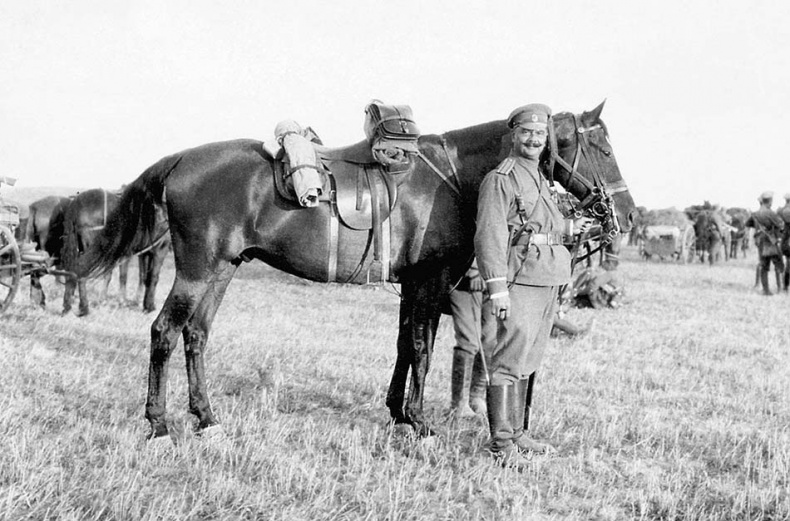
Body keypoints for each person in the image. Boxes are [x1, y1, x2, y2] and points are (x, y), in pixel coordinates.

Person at [474, 103, 591, 469]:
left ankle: (518, 432)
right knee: (508, 360)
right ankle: (501, 443)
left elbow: (544, 224)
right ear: (514, 135)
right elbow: (490, 235)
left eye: (540, 134)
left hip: (547, 278)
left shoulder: (540, 177)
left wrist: (573, 230)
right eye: (526, 132)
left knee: (529, 360)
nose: (533, 139)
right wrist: (497, 289)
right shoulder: (501, 178)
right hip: (520, 278)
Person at [448, 260, 488, 418]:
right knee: (469, 340)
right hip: (465, 277)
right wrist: (475, 268)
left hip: (497, 280)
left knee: (490, 341)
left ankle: (476, 396)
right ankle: (459, 404)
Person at [746, 191, 785, 295]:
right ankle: (780, 288)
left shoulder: (754, 214)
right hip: (771, 242)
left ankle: (766, 290)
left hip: (760, 243)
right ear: (770, 202)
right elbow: (780, 226)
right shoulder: (771, 213)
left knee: (763, 266)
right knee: (778, 265)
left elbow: (748, 223)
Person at [778, 193, 790, 291]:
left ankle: (785, 286)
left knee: (788, 263)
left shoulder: (781, 211)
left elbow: (779, 227)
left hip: (785, 241)